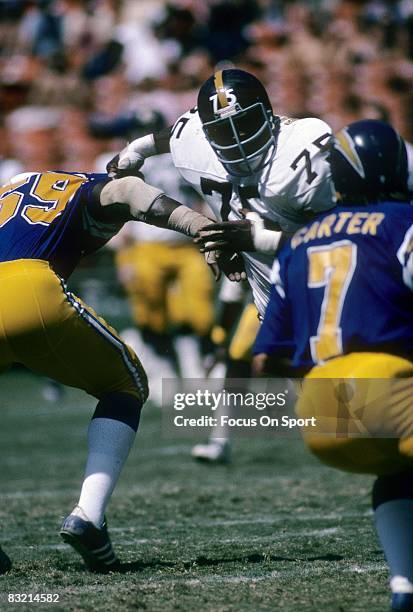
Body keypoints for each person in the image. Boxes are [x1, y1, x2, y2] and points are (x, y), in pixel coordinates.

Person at [0, 167, 223, 574]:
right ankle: (89, 514)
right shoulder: (83, 184)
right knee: (126, 383)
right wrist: (197, 224)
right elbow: (127, 191)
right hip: (28, 286)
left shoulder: (9, 193)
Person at [253, 119, 413, 611]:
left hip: (320, 412)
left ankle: (404, 586)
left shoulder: (298, 241)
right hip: (387, 390)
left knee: (396, 474)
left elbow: (263, 361)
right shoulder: (401, 222)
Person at [110, 68, 336, 319]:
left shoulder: (301, 153)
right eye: (222, 130)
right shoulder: (193, 141)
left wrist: (261, 241)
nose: (236, 139)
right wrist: (139, 148)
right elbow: (175, 134)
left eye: (244, 123)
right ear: (205, 133)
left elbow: (346, 239)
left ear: (268, 114)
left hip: (331, 301)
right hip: (273, 311)